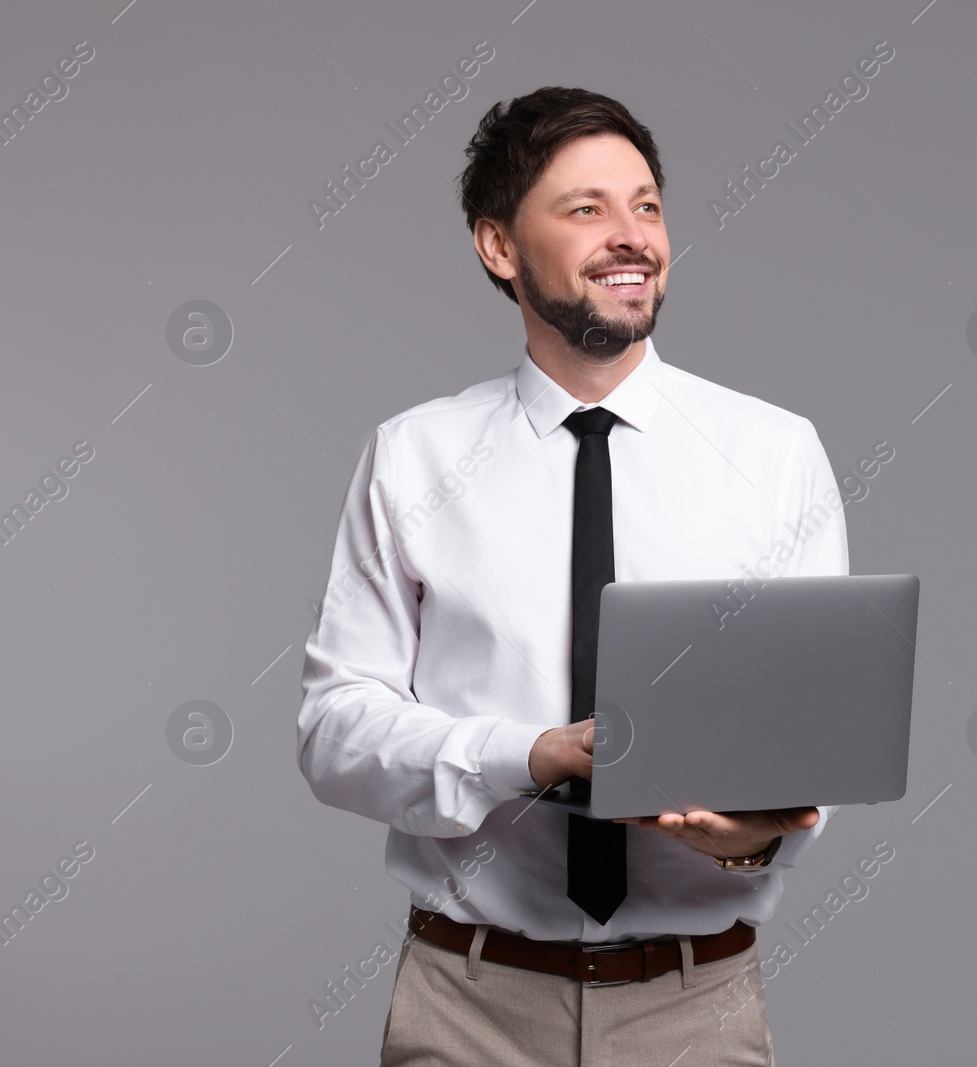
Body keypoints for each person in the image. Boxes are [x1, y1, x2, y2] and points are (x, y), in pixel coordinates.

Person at [297, 86, 849, 1066]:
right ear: (500, 247)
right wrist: (533, 751)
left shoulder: (774, 452)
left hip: (697, 1004)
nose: (630, 236)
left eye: (645, 204)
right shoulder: (412, 457)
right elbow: (335, 730)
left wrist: (750, 835)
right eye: (585, 208)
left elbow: (817, 733)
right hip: (468, 1004)